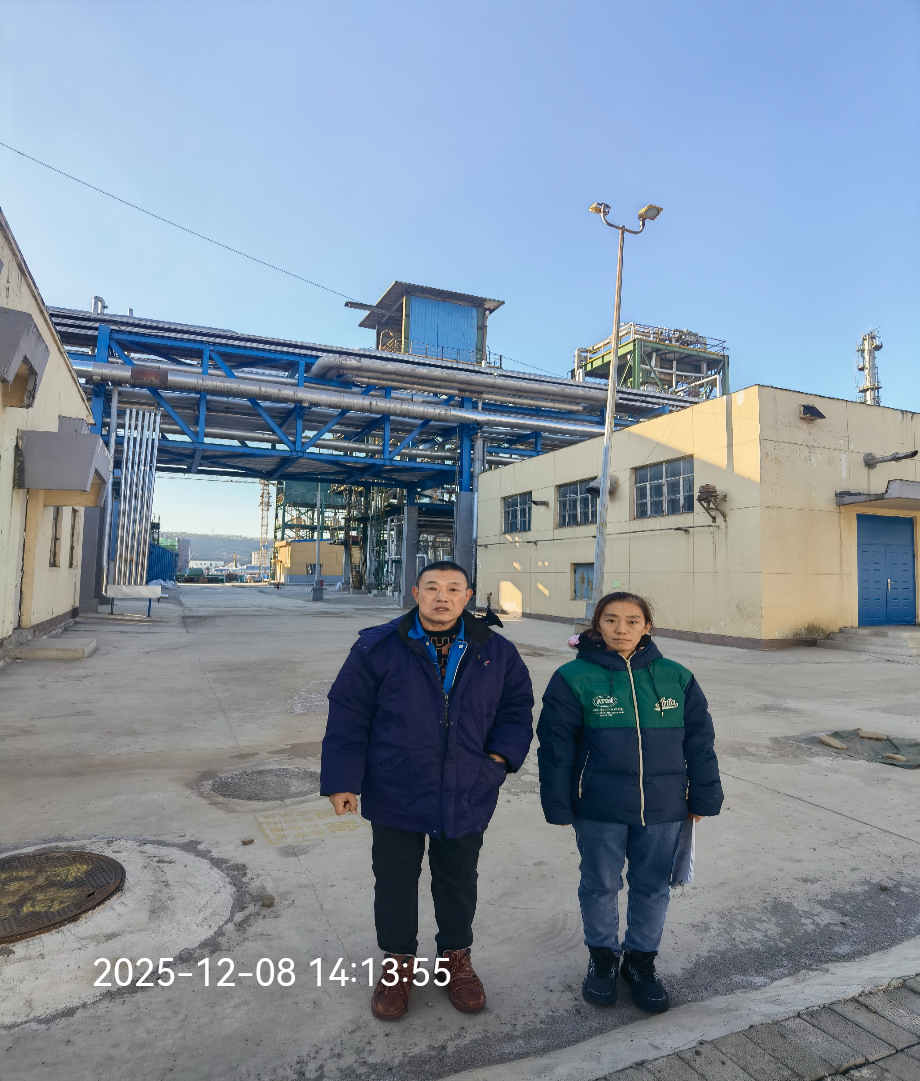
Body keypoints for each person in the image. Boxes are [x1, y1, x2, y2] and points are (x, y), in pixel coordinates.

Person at [321, 561, 534, 1020]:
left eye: (454, 589)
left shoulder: (495, 651)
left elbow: (517, 708)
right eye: (433, 587)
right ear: (416, 593)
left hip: (467, 785)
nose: (443, 596)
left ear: (468, 596)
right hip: (395, 784)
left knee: (458, 879)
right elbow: (348, 714)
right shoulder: (376, 647)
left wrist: (497, 761)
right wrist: (342, 780)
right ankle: (398, 963)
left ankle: (454, 959)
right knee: (395, 880)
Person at [537, 591, 722, 1013]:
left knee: (653, 886)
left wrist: (704, 795)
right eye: (611, 620)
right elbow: (555, 746)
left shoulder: (676, 676)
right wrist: (558, 803)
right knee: (600, 883)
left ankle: (641, 961)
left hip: (664, 808)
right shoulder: (573, 677)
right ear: (597, 625)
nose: (622, 629)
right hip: (598, 807)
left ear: (647, 627)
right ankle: (603, 957)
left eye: (632, 621)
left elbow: (700, 743)